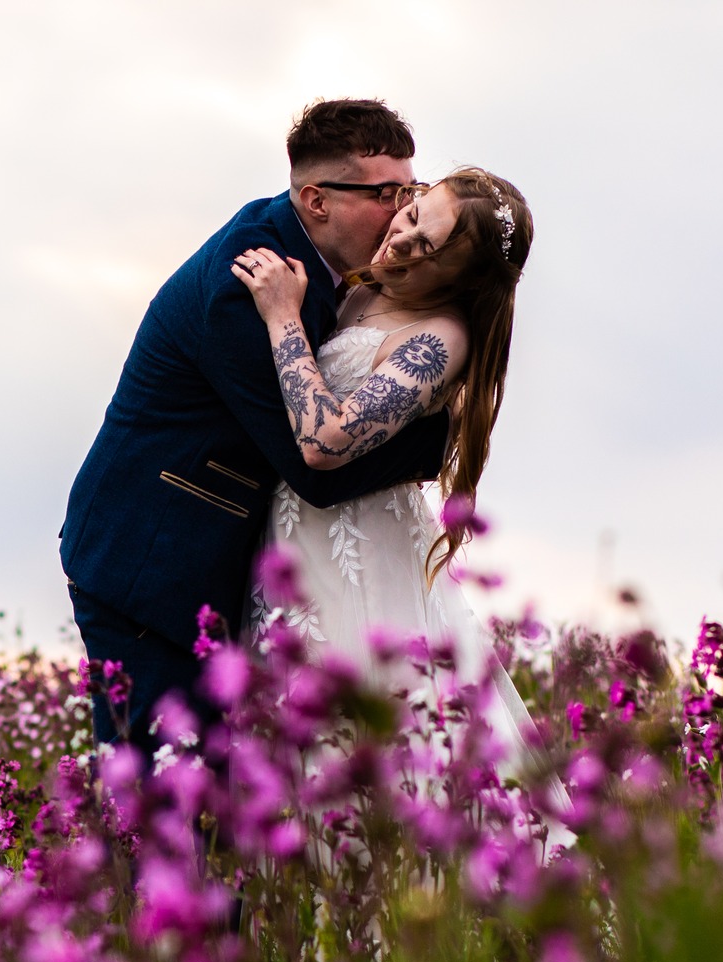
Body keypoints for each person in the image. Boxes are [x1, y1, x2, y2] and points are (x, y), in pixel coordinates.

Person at [59, 99, 447, 758]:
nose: (401, 207)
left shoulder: (319, 258)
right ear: (317, 200)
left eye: (410, 188)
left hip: (207, 556)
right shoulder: (250, 279)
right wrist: (427, 447)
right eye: (385, 192)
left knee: (213, 797)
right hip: (150, 562)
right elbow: (313, 468)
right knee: (167, 792)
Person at [230, 166, 546, 771]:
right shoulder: (367, 281)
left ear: (463, 279)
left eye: (427, 249)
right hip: (293, 541)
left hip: (356, 557)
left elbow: (325, 439)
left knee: (358, 747)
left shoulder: (440, 338)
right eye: (412, 215)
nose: (401, 240)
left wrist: (282, 318)